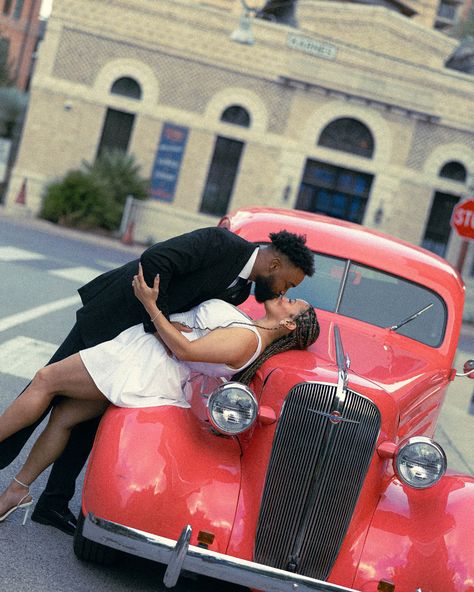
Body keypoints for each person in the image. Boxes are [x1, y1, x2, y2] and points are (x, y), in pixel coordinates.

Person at [0, 226, 315, 534]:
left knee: (55, 397)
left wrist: (161, 322)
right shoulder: (220, 244)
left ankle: (46, 500)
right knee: (56, 403)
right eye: (286, 283)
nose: (283, 292)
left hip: (139, 354)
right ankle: (27, 490)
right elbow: (154, 261)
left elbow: (193, 344)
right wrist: (160, 320)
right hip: (114, 320)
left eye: (289, 294)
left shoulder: (243, 301)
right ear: (274, 264)